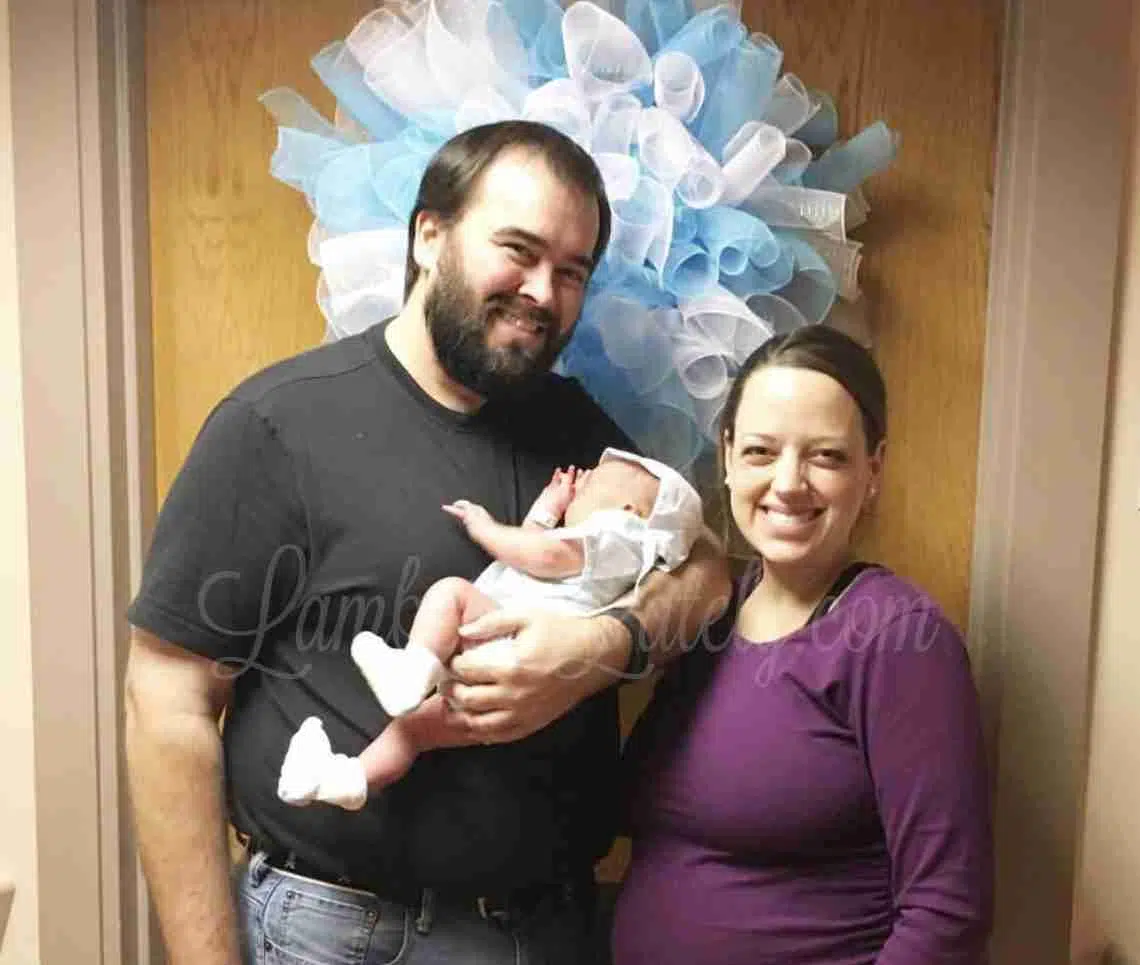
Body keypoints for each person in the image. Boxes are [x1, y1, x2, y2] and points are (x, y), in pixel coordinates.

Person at [123, 120, 729, 965]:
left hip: (555, 929)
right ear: (428, 235)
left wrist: (602, 645)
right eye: (516, 250)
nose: (542, 293)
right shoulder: (278, 426)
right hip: (337, 934)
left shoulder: (579, 429)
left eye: (572, 272)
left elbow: (704, 575)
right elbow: (167, 698)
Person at [612, 326, 995, 964]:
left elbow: (947, 911)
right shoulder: (710, 611)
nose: (788, 483)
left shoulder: (900, 639)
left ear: (873, 472)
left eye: (826, 457)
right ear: (727, 458)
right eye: (762, 451)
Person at [276, 449, 704, 810]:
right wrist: (548, 509)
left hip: (509, 639)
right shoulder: (600, 552)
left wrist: (484, 528)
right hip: (509, 682)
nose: (582, 480)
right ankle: (347, 780)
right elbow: (537, 547)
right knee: (415, 732)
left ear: (630, 511)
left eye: (593, 482)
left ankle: (410, 671)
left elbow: (542, 554)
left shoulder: (622, 536)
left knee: (451, 595)